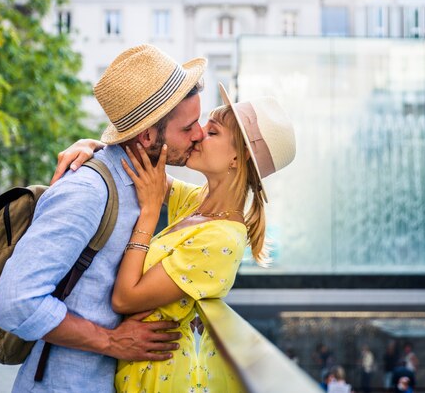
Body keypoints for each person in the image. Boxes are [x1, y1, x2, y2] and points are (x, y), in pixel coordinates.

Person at [0, 44, 208, 392]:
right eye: (188, 127)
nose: (198, 134)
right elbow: (14, 302)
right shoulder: (88, 192)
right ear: (148, 136)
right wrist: (110, 341)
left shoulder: (140, 181)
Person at [54, 84, 296, 392]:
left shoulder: (221, 239)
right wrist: (91, 145)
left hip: (157, 380)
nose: (196, 134)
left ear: (238, 158)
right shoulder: (198, 202)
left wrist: (150, 213)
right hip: (137, 370)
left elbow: (124, 297)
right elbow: (137, 162)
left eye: (212, 132)